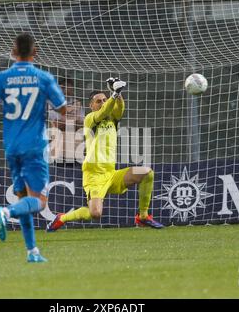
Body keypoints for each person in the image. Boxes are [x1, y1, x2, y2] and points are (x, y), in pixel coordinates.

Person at [0, 33, 67, 263]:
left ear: (13, 52)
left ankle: (32, 252)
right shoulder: (43, 77)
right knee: (39, 201)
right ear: (35, 51)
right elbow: (62, 108)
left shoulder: (2, 78)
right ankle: (5, 212)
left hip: (11, 146)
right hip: (34, 145)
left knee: (23, 197)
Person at [47, 78, 164, 232]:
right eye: (98, 101)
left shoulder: (113, 119)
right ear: (91, 106)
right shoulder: (90, 119)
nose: (102, 103)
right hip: (94, 175)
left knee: (146, 173)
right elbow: (104, 111)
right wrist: (114, 94)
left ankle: (143, 216)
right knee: (95, 213)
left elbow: (119, 109)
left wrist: (116, 94)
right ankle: (62, 218)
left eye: (104, 100)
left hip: (111, 173)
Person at [48, 77, 84, 164]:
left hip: (76, 152)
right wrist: (74, 119)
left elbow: (82, 124)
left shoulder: (77, 103)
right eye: (66, 87)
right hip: (58, 151)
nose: (69, 89)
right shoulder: (53, 103)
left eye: (71, 86)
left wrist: (65, 121)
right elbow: (57, 124)